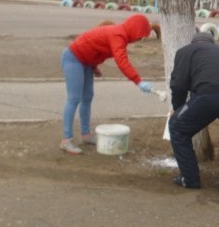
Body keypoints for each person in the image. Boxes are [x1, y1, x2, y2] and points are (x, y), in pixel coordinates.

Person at [60, 14, 153, 155]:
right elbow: (122, 61)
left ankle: (86, 135)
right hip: (73, 58)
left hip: (85, 62)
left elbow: (96, 48)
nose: (139, 39)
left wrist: (94, 67)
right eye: (140, 35)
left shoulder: (121, 34)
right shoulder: (118, 35)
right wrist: (138, 81)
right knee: (74, 99)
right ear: (135, 29)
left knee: (87, 97)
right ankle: (66, 140)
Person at [168, 32, 219, 191]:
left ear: (194, 42)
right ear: (211, 43)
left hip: (208, 95)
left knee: (177, 127)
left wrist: (177, 109)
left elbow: (178, 85)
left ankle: (189, 178)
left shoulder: (185, 51)